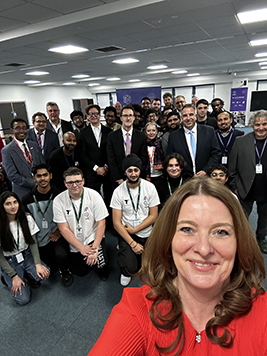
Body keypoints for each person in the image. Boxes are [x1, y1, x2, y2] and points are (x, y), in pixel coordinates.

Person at [89, 177, 266, 355]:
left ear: (239, 242)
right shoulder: (137, 310)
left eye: (221, 232)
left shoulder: (262, 313)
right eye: (187, 229)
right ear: (169, 238)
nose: (204, 249)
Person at [110, 154, 159, 286]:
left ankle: (136, 252)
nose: (133, 174)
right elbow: (116, 222)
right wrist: (132, 243)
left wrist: (135, 229)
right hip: (127, 233)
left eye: (136, 170)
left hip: (146, 231)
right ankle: (125, 257)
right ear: (125, 172)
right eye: (129, 170)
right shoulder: (118, 192)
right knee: (130, 268)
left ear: (140, 170)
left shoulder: (150, 187)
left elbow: (154, 215)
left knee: (152, 266)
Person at [53, 167, 109, 280]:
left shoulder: (94, 196)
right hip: (74, 239)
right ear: (65, 183)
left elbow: (101, 223)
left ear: (83, 181)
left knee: (99, 262)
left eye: (78, 181)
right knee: (80, 271)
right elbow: (63, 229)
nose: (74, 185)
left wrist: (95, 248)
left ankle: (102, 268)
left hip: (92, 236)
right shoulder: (58, 200)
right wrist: (81, 248)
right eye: (70, 182)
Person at [22, 164, 72, 287]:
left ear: (50, 176)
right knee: (50, 268)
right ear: (34, 178)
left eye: (45, 175)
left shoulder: (59, 195)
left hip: (57, 233)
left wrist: (59, 232)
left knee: (62, 255)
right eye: (39, 176)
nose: (42, 178)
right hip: (39, 237)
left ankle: (65, 271)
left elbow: (70, 217)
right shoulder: (26, 199)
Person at [0, 191, 50, 305]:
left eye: (15, 202)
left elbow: (32, 243)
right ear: (2, 206)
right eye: (8, 204)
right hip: (10, 261)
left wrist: (37, 264)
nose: (13, 206)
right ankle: (7, 277)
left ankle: (26, 274)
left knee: (45, 273)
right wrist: (13, 275)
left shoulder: (26, 217)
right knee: (23, 300)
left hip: (26, 255)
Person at [228, 110, 267, 254]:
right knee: (241, 218)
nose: (261, 128)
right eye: (257, 124)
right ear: (252, 125)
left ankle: (261, 239)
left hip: (265, 189)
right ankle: (241, 241)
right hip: (245, 188)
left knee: (264, 218)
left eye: (264, 124)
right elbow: (232, 166)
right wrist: (234, 186)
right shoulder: (241, 141)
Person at [167, 104, 221, 177]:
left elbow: (216, 153)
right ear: (181, 118)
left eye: (191, 114)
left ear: (196, 116)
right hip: (184, 179)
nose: (188, 118)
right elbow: (171, 158)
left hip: (206, 177)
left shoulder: (209, 131)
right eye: (185, 115)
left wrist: (206, 170)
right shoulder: (174, 136)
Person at [2, 118, 45, 199]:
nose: (21, 131)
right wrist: (34, 183)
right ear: (12, 130)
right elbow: (12, 175)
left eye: (24, 128)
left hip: (41, 189)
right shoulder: (7, 151)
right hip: (23, 193)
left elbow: (42, 164)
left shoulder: (34, 145)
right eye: (17, 128)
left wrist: (41, 180)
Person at [107, 104, 148, 188]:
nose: (128, 118)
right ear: (121, 118)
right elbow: (111, 159)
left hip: (136, 178)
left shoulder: (141, 136)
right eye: (125, 115)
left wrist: (136, 176)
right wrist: (119, 179)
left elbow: (143, 158)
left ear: (134, 118)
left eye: (130, 115)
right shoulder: (112, 136)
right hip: (118, 180)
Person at [79, 104, 112, 206]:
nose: (93, 116)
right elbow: (82, 154)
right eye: (90, 114)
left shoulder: (109, 132)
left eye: (95, 113)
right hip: (91, 172)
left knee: (109, 198)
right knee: (93, 200)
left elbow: (111, 152)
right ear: (87, 116)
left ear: (99, 115)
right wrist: (96, 168)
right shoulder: (83, 133)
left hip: (107, 172)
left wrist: (106, 166)